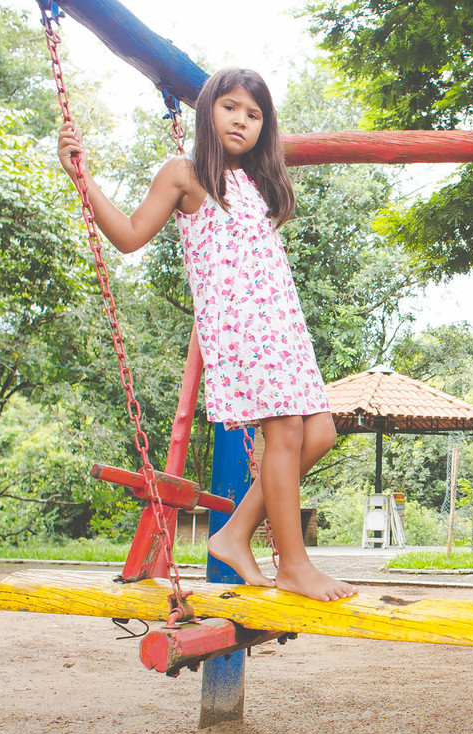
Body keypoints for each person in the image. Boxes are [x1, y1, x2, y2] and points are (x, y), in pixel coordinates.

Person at [58, 67, 357, 601]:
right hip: (241, 326)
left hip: (283, 322)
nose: (241, 121)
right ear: (207, 112)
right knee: (284, 432)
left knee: (320, 434)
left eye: (254, 114)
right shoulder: (186, 173)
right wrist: (82, 178)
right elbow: (128, 236)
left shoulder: (258, 182)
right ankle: (293, 564)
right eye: (230, 108)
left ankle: (235, 533)